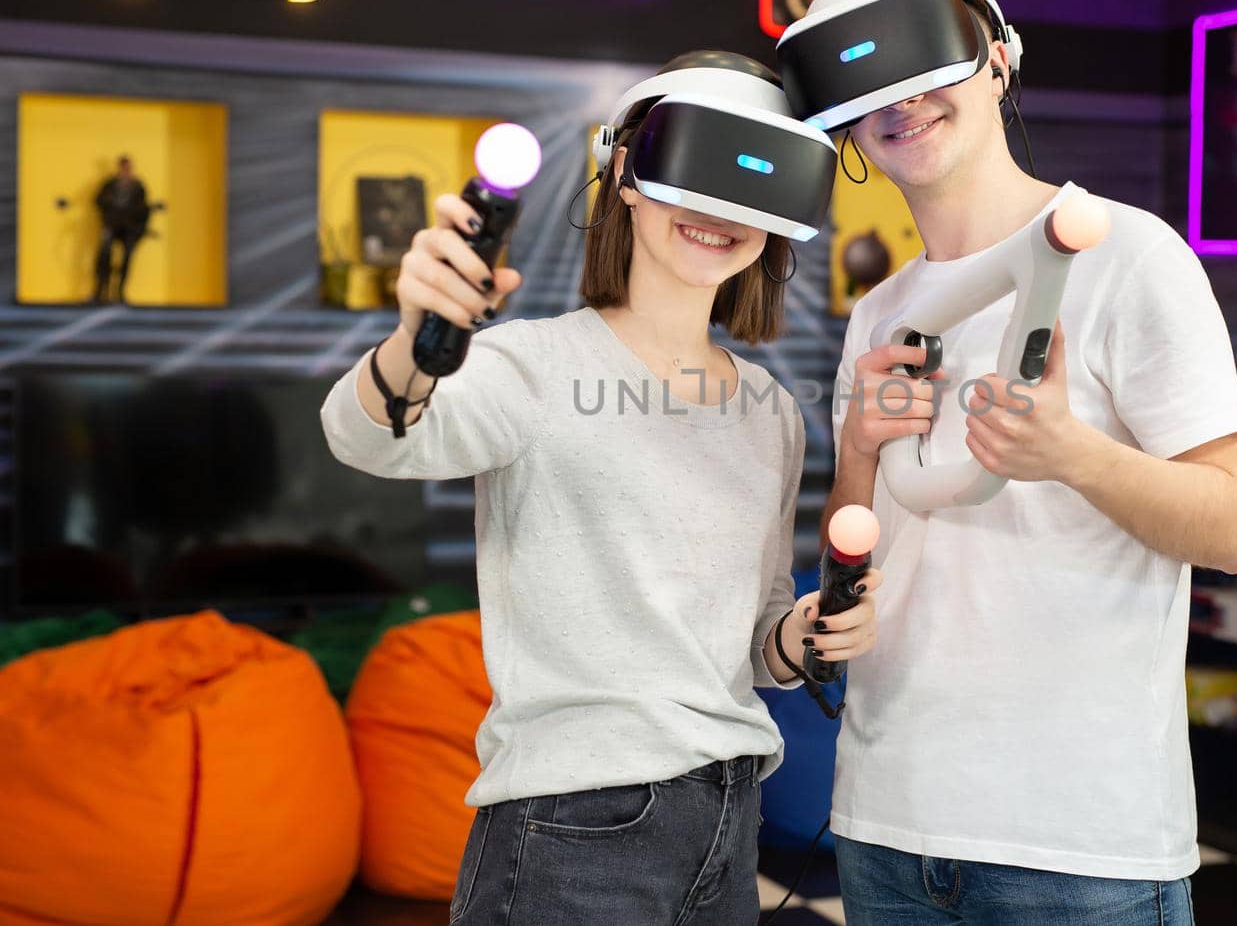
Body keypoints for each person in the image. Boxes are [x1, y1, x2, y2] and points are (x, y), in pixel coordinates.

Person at [321, 51, 882, 924]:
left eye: (749, 183)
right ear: (625, 173)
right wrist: (412, 338)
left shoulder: (773, 411)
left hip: (730, 826)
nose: (714, 212)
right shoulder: (530, 366)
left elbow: (753, 648)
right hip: (571, 830)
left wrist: (806, 632)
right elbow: (371, 436)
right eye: (692, 169)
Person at [803, 0, 1237, 924]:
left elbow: (1234, 528)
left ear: (998, 58)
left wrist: (1073, 454)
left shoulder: (1130, 254)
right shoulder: (877, 312)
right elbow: (856, 564)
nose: (904, 99)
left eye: (930, 61)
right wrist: (854, 452)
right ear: (847, 123)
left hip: (1076, 842)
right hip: (886, 825)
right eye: (867, 80)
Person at [93, 155, 151, 304]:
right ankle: (101, 288)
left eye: (128, 168)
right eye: (124, 168)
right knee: (104, 253)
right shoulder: (111, 184)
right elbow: (98, 201)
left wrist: (140, 229)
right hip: (112, 225)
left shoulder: (137, 186)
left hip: (129, 228)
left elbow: (143, 209)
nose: (126, 171)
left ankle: (120, 290)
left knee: (127, 256)